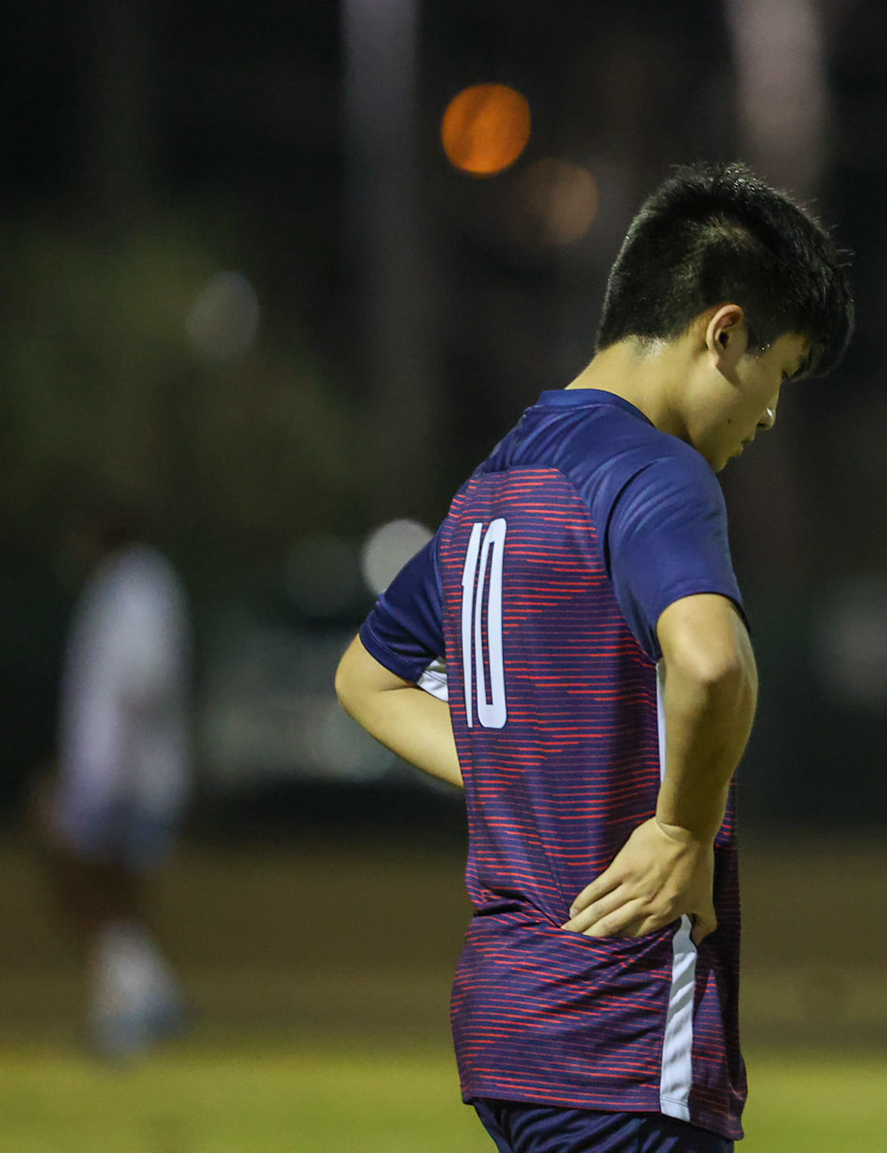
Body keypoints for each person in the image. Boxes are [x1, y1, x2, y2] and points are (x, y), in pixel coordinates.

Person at [334, 162, 852, 1151]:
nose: (772, 414)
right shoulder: (655, 471)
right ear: (724, 332)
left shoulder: (498, 480)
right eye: (778, 375)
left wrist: (515, 765)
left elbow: (367, 676)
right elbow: (712, 664)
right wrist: (679, 828)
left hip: (511, 1023)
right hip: (616, 1031)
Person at [34, 518, 192, 1059]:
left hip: (123, 772)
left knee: (98, 887)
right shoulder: (131, 586)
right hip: (119, 769)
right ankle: (131, 1002)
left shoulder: (135, 588)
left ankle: (139, 1001)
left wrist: (110, 773)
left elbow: (140, 682)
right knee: (110, 895)